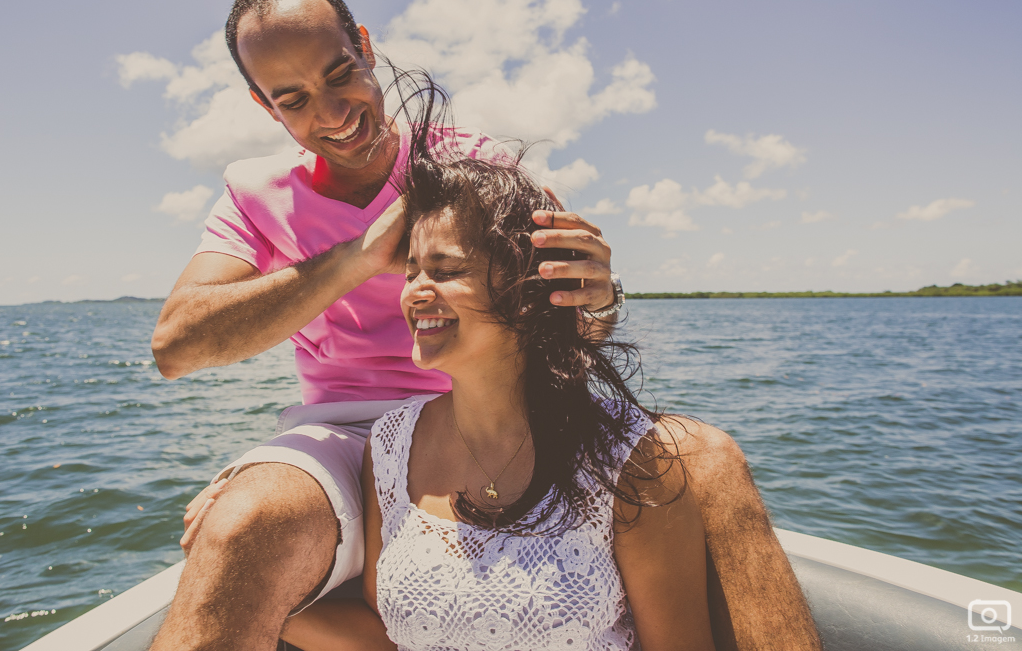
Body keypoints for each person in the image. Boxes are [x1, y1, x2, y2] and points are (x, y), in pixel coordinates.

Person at [148, 0, 822, 651]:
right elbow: (176, 346)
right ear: (267, 108)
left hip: (498, 411)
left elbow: (568, 323)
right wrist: (360, 255)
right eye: (292, 100)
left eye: (340, 73)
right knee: (241, 525)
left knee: (707, 459)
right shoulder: (251, 195)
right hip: (347, 437)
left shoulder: (469, 166)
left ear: (364, 44)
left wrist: (595, 296)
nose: (331, 113)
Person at [280, 93, 716, 651]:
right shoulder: (388, 447)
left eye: (444, 269)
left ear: (525, 288)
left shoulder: (630, 458)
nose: (415, 291)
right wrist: (259, 591)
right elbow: (391, 638)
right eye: (410, 271)